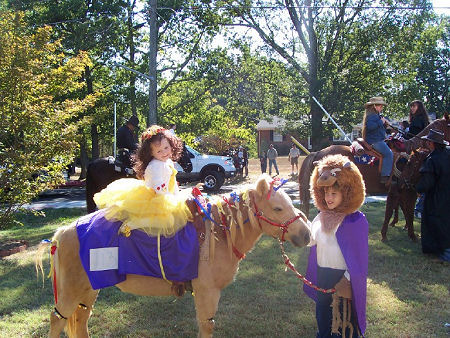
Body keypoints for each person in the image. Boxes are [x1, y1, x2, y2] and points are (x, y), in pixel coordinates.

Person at [304, 154, 368, 337]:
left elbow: (360, 260)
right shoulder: (320, 217)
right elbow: (311, 240)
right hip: (323, 275)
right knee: (323, 313)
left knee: (344, 320)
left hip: (343, 279)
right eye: (325, 193)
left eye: (334, 193)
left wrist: (347, 280)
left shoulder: (355, 221)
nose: (329, 198)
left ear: (346, 193)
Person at [94, 125, 192, 237]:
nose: (164, 153)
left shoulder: (167, 162)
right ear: (151, 153)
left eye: (166, 148)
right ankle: (131, 225)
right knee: (166, 220)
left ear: (171, 144)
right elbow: (159, 189)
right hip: (155, 197)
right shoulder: (155, 166)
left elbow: (172, 182)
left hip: (165, 195)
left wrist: (177, 195)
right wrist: (172, 201)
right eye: (159, 151)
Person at [415, 129, 450, 261]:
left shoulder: (433, 160)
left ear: (431, 143)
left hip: (437, 199)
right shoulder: (447, 154)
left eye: (428, 142)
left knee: (438, 223)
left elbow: (427, 182)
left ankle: (444, 253)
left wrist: (418, 188)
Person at [361, 96, 393, 184]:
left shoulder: (376, 116)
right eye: (380, 106)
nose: (382, 108)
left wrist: (385, 124)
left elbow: (378, 128)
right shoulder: (372, 116)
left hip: (378, 139)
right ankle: (385, 176)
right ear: (374, 106)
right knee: (388, 154)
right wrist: (381, 122)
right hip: (375, 141)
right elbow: (371, 127)